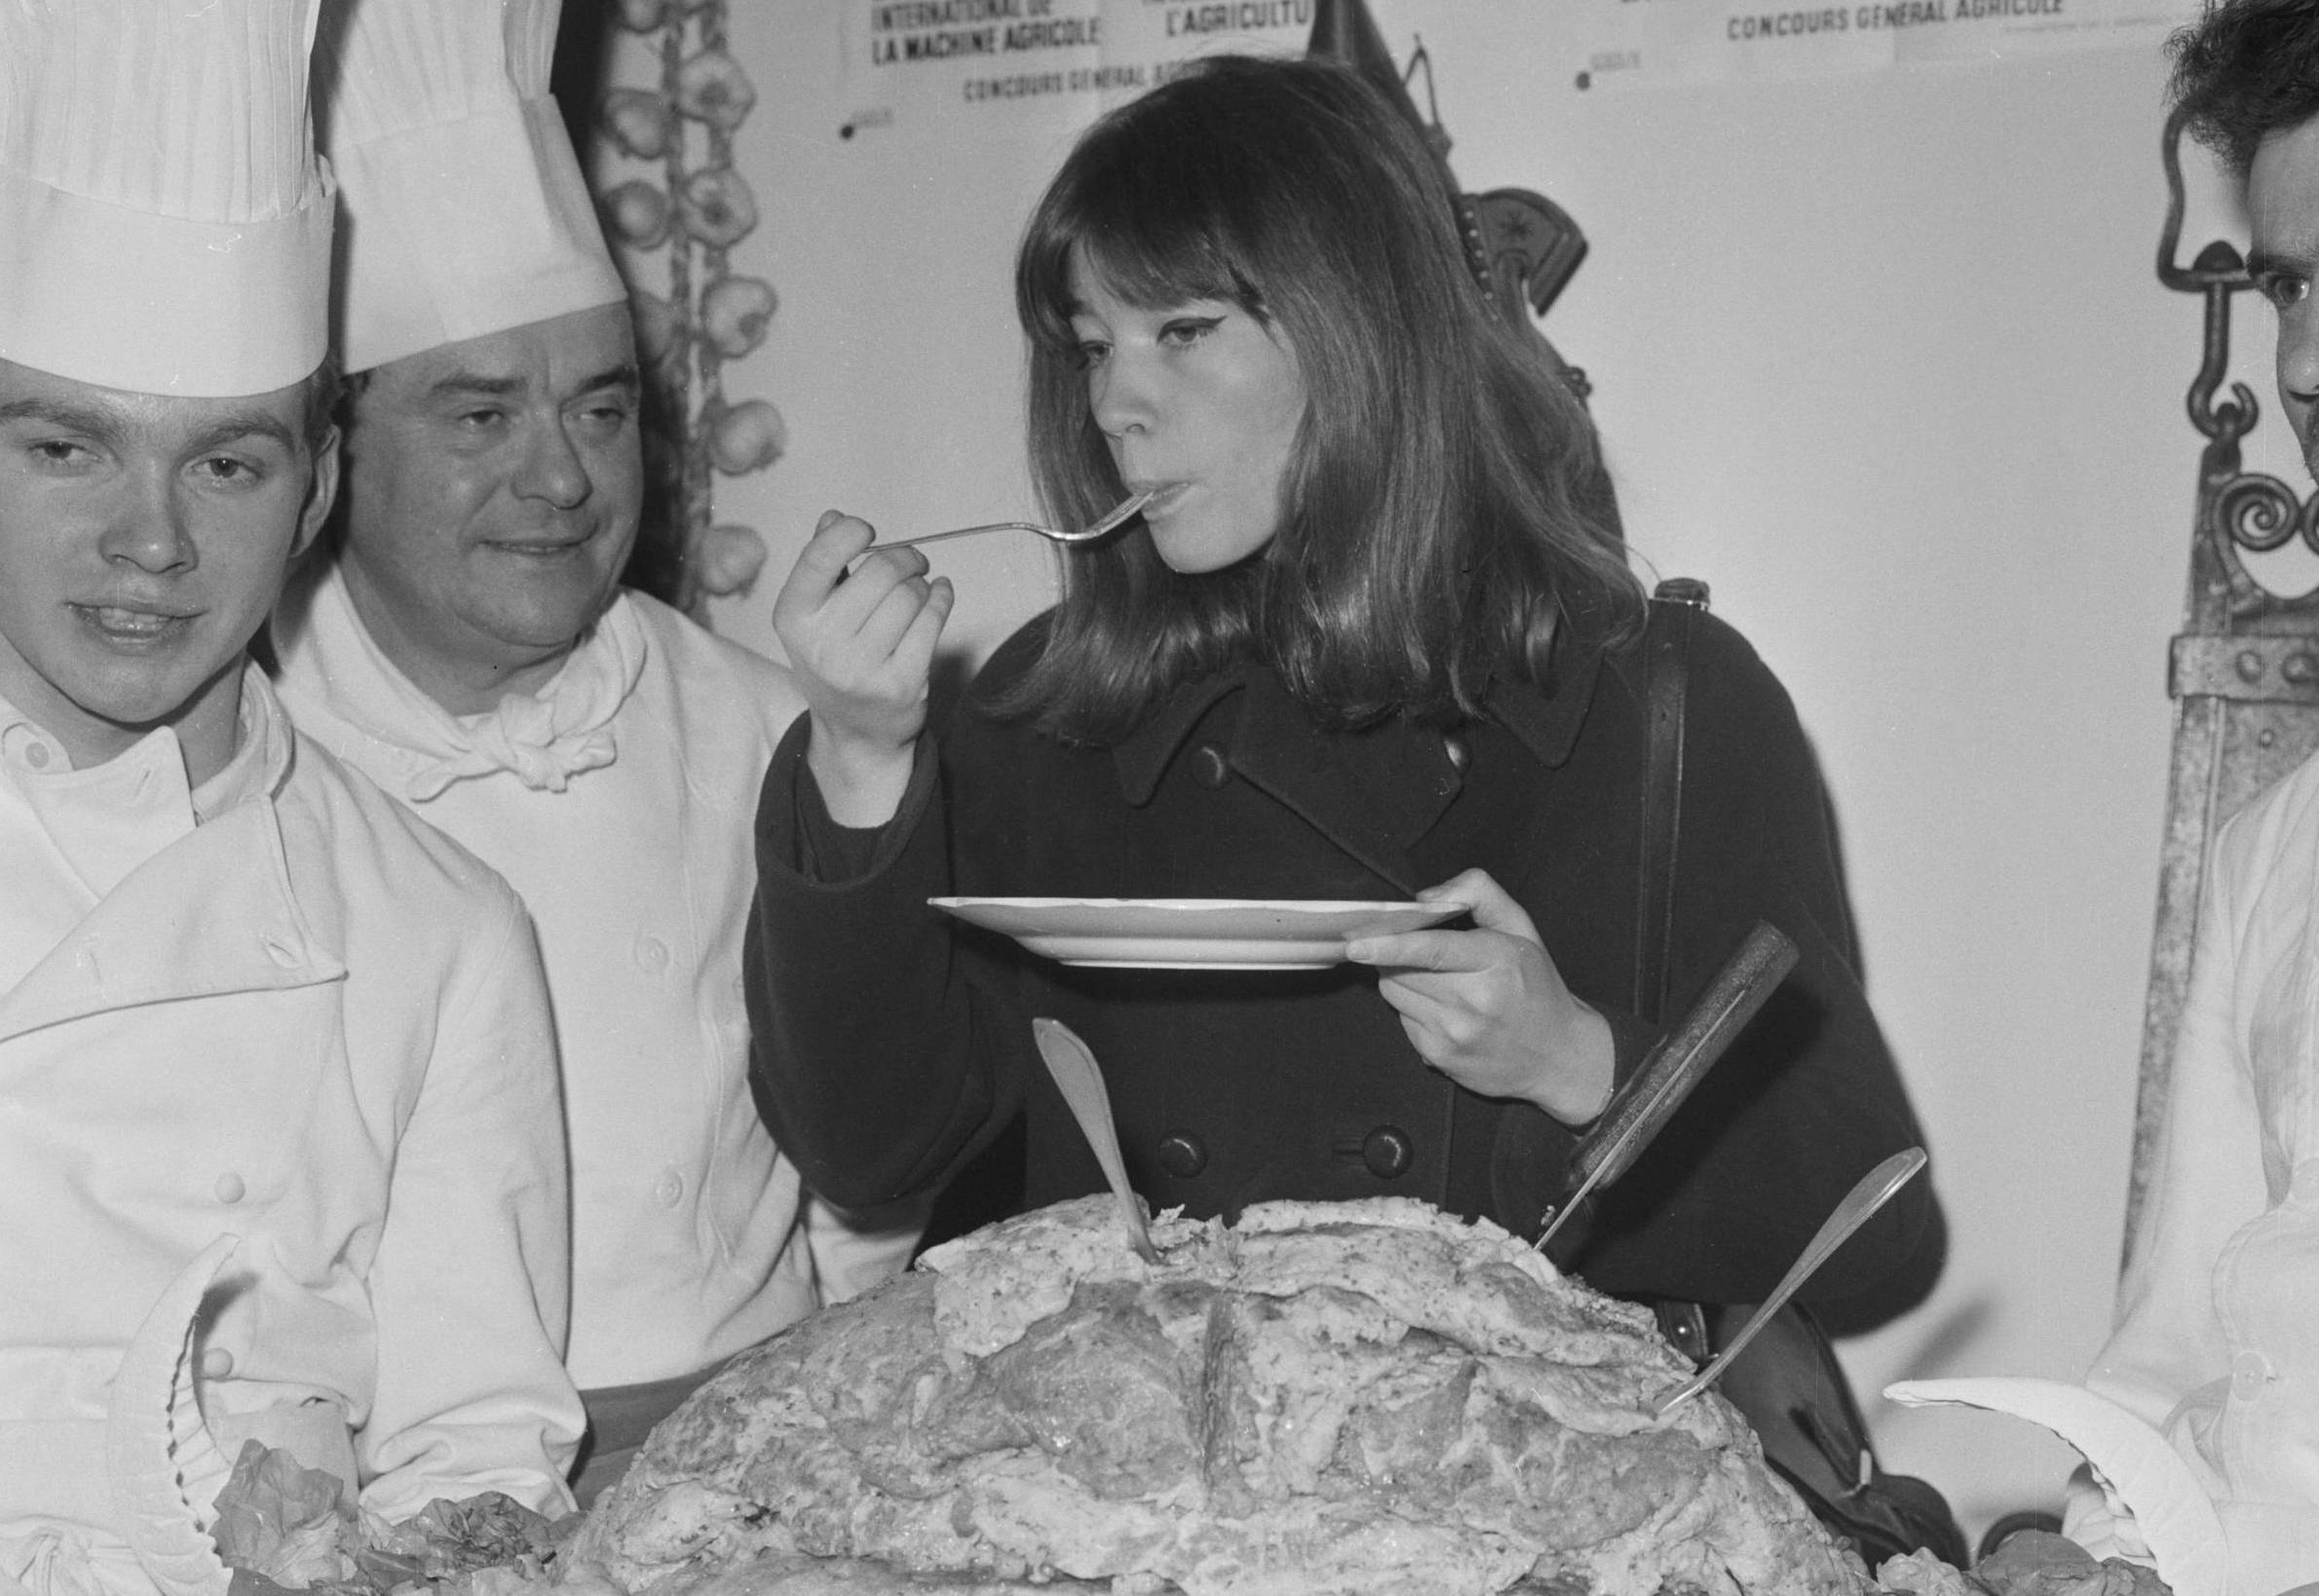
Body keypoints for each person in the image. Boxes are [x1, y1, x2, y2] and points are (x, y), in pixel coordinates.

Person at [747, 55, 1937, 1332]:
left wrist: (1578, 1063)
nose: (1114, 402)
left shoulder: (1664, 705)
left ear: (1359, 328)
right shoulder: (1047, 712)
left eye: (1184, 331)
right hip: (1127, 1495)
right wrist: (862, 763)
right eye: (1094, 344)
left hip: (1518, 1495)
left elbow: (1875, 1233)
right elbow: (866, 1156)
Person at [262, 0, 923, 1507]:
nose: (560, 477)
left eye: (601, 407)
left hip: (756, 1458)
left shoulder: (763, 727)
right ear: (334, 451)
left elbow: (865, 1189)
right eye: (481, 413)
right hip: (378, 1491)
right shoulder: (245, 761)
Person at [0, 2, 583, 1589]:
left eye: (228, 464)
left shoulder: (443, 931)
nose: (152, 543)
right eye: (67, 449)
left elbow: (481, 1465)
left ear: (317, 485)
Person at [2062, 1, 2319, 1591]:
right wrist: (2093, 1546)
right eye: (2293, 280)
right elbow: (2173, 1367)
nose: (2309, 359)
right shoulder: (2279, 847)